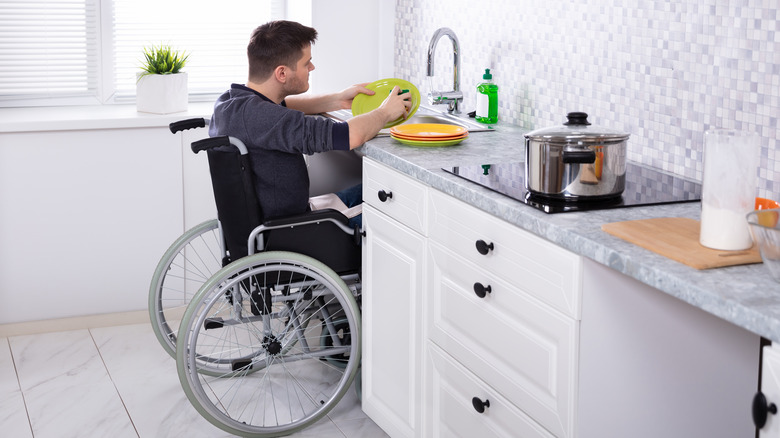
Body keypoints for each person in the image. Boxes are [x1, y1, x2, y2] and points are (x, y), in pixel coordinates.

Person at [209, 20, 410, 229]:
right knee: (400, 207)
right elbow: (350, 135)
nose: (312, 67)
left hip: (274, 223)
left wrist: (337, 99)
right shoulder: (267, 119)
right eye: (307, 63)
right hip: (294, 232)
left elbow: (287, 106)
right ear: (282, 73)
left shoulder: (231, 103)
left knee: (372, 188)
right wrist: (386, 111)